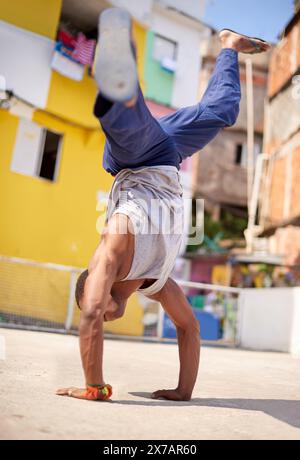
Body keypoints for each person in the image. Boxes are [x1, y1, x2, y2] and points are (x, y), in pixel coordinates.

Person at [56, 8, 270, 402]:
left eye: (96, 308)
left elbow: (88, 317)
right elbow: (189, 328)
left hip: (135, 158)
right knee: (221, 112)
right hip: (168, 155)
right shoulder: (156, 283)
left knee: (127, 117)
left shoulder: (109, 254)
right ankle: (229, 47)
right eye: (99, 312)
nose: (102, 317)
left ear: (92, 292)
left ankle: (117, 68)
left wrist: (94, 388)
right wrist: (183, 391)